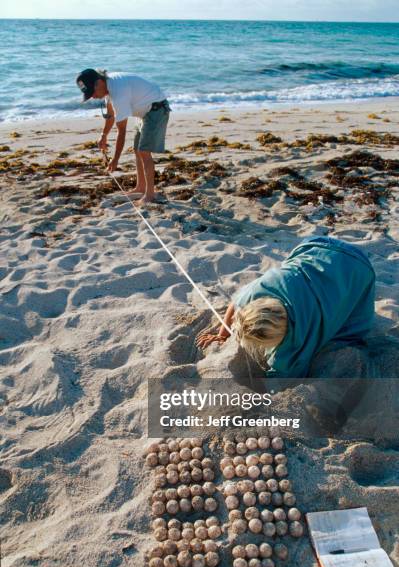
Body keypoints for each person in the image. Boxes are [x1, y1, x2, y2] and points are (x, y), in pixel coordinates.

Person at [196, 236, 376, 378]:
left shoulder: (297, 339)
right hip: (316, 246)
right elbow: (235, 304)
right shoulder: (252, 295)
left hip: (358, 267)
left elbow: (285, 374)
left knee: (345, 332)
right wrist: (222, 334)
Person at [76, 68, 170, 205]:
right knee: (138, 150)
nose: (93, 97)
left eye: (93, 92)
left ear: (99, 82)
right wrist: (104, 135)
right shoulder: (109, 86)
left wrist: (115, 160)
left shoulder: (118, 92)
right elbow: (110, 115)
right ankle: (141, 187)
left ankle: (150, 194)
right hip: (143, 111)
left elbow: (122, 131)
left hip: (157, 108)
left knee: (144, 151)